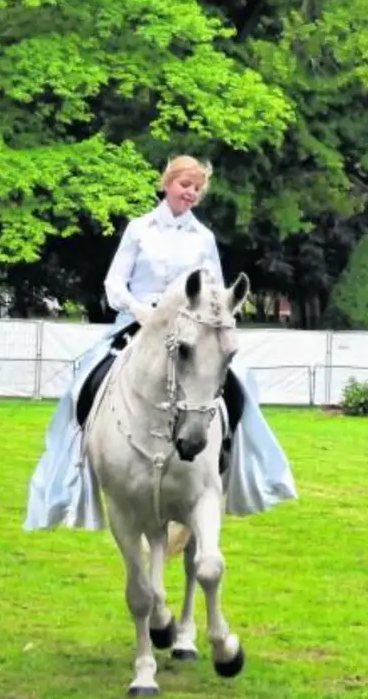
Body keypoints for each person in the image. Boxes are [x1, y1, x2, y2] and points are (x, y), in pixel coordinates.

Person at [24, 156, 299, 531]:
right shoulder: (139, 230)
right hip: (138, 323)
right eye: (186, 184)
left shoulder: (204, 238)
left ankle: (234, 460)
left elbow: (215, 290)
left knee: (240, 382)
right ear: (167, 183)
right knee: (81, 384)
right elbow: (114, 284)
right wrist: (139, 310)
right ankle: (77, 465)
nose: (191, 193)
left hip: (189, 329)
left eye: (197, 188)